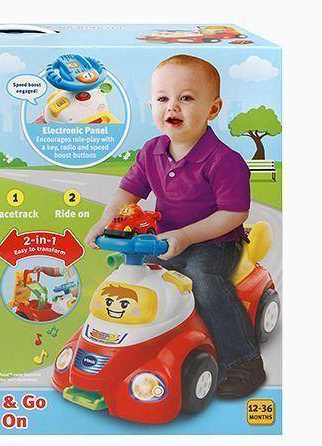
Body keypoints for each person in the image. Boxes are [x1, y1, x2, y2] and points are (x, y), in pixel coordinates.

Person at [85, 54, 265, 397]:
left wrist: (186, 236)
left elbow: (234, 214)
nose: (173, 106)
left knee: (204, 282)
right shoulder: (151, 150)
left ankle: (244, 361)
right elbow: (128, 192)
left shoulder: (224, 160)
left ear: (213, 109)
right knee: (134, 282)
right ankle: (134, 345)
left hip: (215, 242)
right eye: (163, 98)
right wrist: (104, 223)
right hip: (165, 240)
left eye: (186, 98)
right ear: (151, 105)